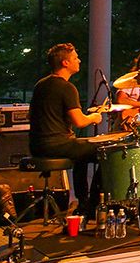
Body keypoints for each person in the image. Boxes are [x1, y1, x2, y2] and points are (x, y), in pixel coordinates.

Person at [29, 43, 105, 216]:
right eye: (75, 58)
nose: (79, 60)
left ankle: (83, 202)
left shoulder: (40, 84)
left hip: (37, 145)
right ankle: (93, 205)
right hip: (57, 144)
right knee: (106, 151)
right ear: (65, 63)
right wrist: (94, 117)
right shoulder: (66, 87)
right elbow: (79, 121)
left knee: (82, 153)